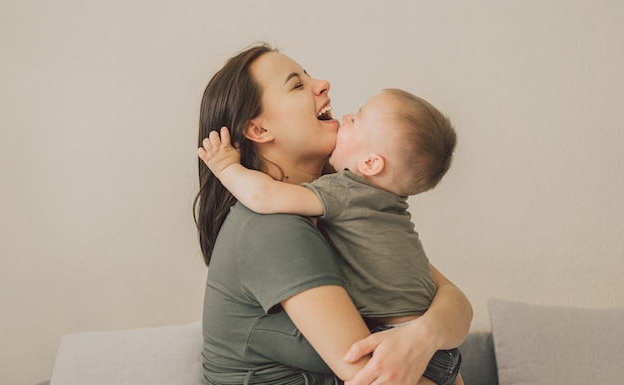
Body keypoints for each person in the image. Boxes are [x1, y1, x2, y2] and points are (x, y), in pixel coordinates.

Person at [194, 43, 472, 385]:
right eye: (297, 84)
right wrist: (430, 335)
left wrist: (423, 335)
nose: (323, 84)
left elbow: (456, 302)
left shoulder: (349, 206)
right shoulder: (273, 229)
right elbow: (373, 377)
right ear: (260, 130)